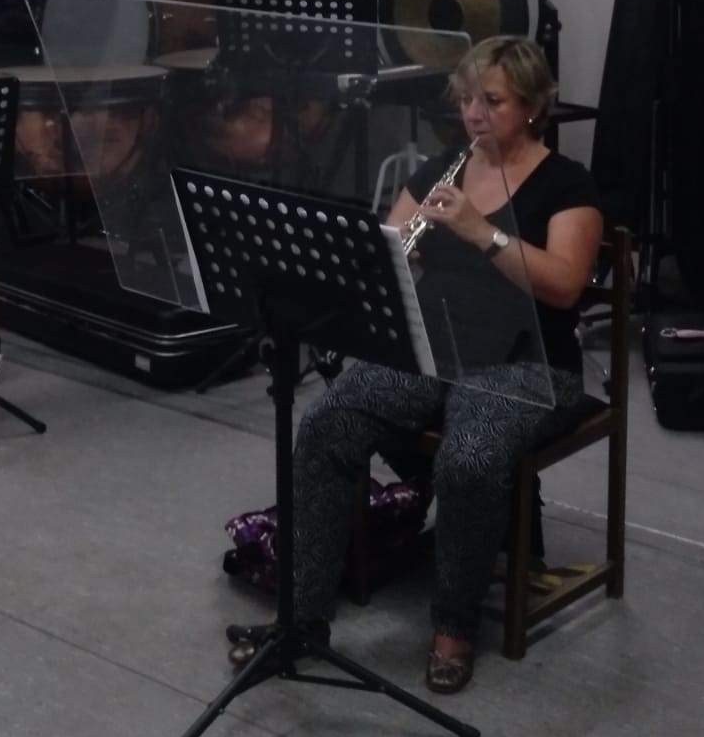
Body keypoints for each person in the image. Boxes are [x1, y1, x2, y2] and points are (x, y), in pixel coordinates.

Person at [233, 36, 603, 696]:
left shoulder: (567, 183)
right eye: (466, 100)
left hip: (529, 363)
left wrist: (481, 232)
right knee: (326, 425)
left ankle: (454, 627)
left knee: (468, 459)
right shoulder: (442, 169)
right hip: (433, 349)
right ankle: (303, 616)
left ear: (533, 105)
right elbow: (384, 255)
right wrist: (396, 258)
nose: (474, 113)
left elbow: (565, 286)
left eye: (492, 101)